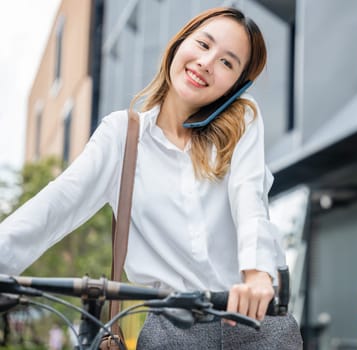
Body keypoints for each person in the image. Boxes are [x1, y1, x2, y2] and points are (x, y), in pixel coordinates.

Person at [0, 6, 302, 349]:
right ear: (179, 43)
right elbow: (57, 204)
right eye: (204, 45)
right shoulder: (122, 136)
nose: (207, 62)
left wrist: (257, 274)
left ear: (235, 87)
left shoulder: (242, 121)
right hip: (173, 329)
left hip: (255, 319)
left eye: (227, 62)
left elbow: (249, 198)